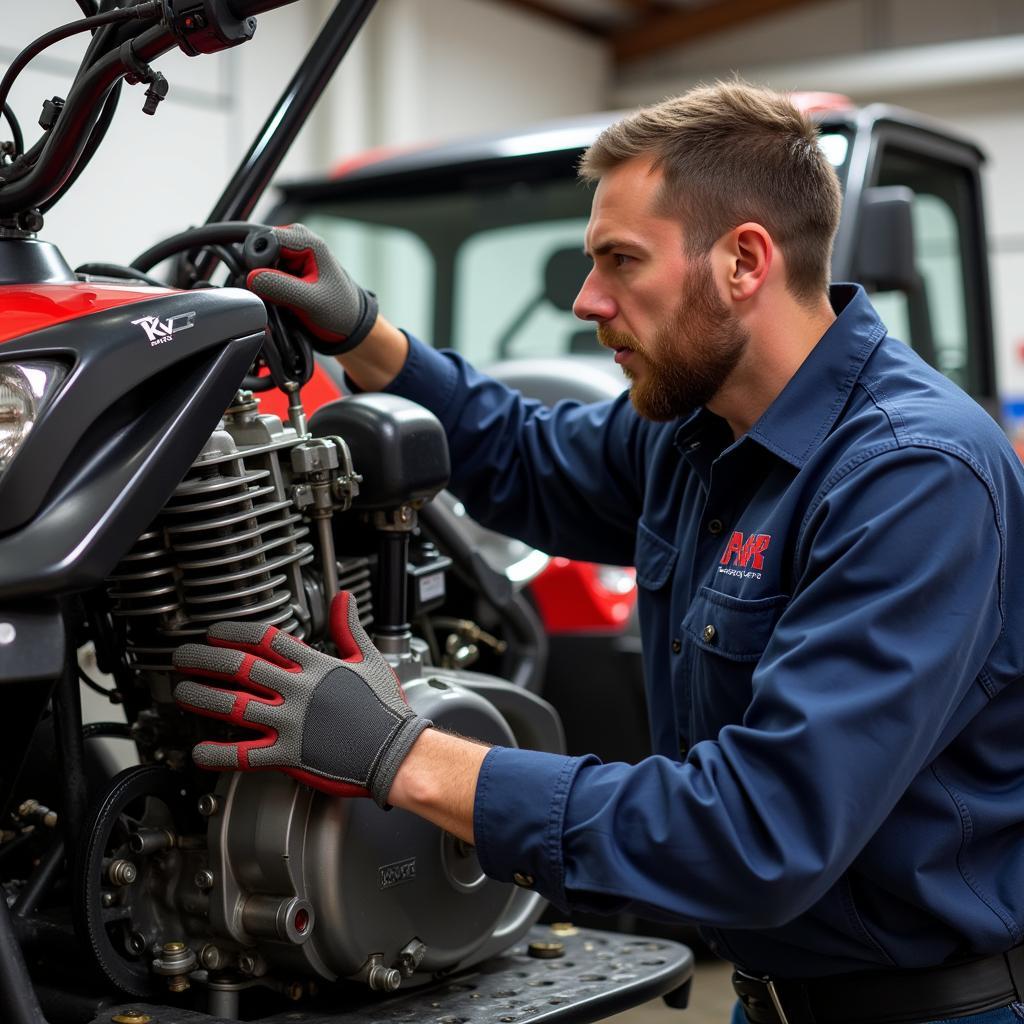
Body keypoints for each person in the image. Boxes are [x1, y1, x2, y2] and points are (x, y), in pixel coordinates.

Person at [172, 83, 1024, 1024]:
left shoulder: (912, 477)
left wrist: (402, 755)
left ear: (745, 260)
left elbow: (758, 834)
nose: (587, 301)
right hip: (775, 1000)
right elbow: (528, 458)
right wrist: (363, 334)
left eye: (622, 261)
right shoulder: (696, 429)